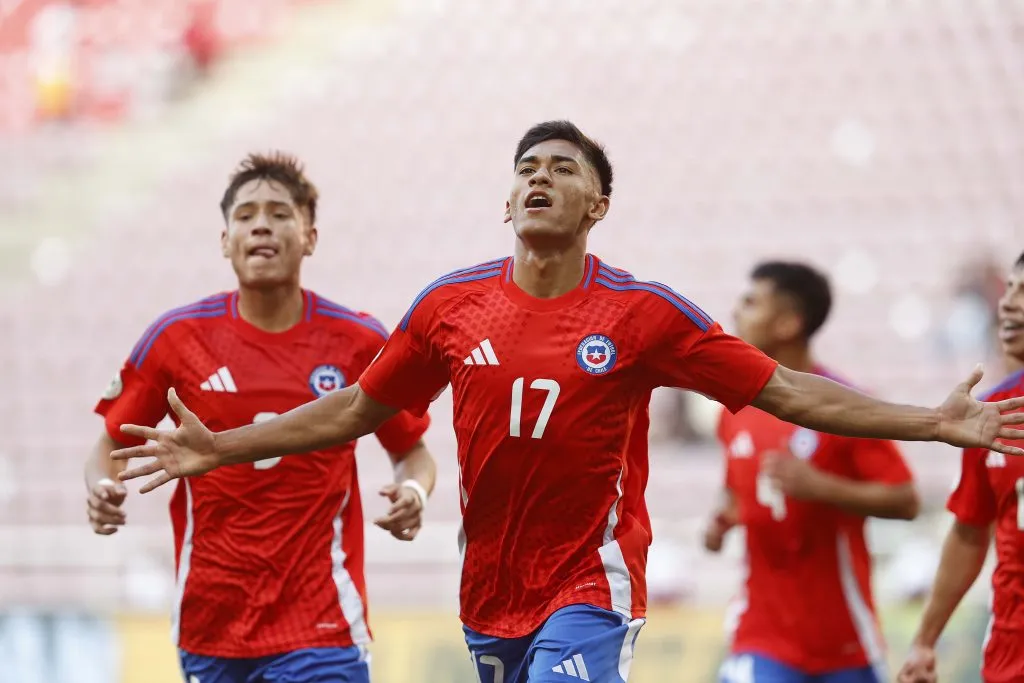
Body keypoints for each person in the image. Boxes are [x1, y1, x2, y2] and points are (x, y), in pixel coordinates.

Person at [110, 122, 1024, 683]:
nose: (540, 174)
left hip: (591, 576)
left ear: (600, 203)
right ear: (507, 199)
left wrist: (932, 420)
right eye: (527, 166)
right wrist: (224, 448)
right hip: (489, 586)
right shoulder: (447, 307)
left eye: (563, 165)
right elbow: (354, 412)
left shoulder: (643, 314)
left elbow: (784, 388)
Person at [84, 153, 437, 683]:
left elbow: (412, 451)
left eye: (279, 212)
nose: (262, 225)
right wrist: (101, 490)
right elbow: (107, 447)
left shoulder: (357, 342)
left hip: (323, 620)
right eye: (246, 215)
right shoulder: (176, 340)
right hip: (213, 620)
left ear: (310, 236)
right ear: (225, 240)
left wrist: (413, 492)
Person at [705, 261, 920, 683]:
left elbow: (906, 500)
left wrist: (821, 487)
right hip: (762, 635)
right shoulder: (735, 409)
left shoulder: (849, 408)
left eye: (751, 302)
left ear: (787, 323)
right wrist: (723, 519)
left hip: (844, 639)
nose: (735, 312)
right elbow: (734, 493)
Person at [898, 252, 1024, 683]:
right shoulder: (990, 415)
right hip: (1011, 659)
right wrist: (925, 641)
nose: (1008, 303)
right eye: (1009, 289)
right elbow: (970, 530)